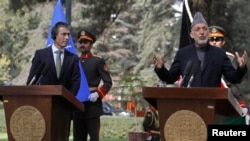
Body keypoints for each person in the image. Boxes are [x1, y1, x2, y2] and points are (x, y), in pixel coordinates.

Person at [153, 12, 248, 88]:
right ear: (191, 34)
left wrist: (241, 68)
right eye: (197, 29)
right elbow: (171, 78)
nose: (202, 32)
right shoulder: (182, 54)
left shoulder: (220, 54)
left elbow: (233, 78)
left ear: (208, 33)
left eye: (204, 29)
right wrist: (160, 69)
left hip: (212, 103)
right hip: (188, 102)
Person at [73, 29, 113, 141]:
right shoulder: (75, 61)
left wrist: (98, 94)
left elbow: (108, 82)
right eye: (81, 42)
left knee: (94, 138)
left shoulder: (97, 61)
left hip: (92, 106)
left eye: (85, 42)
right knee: (78, 138)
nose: (82, 45)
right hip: (77, 106)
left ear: (91, 44)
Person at [27, 21, 80, 95]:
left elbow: (76, 82)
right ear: (55, 35)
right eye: (64, 34)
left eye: (68, 35)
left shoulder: (73, 58)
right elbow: (32, 80)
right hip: (43, 100)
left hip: (64, 102)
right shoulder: (41, 55)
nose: (67, 37)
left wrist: (68, 99)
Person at [209, 25, 248, 124]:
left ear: (223, 42)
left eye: (217, 39)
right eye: (211, 39)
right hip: (207, 100)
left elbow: (235, 80)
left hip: (228, 102)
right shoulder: (200, 59)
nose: (214, 42)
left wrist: (241, 68)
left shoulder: (230, 58)